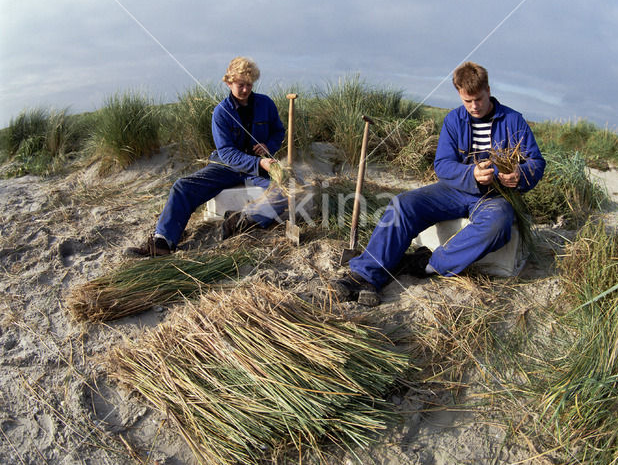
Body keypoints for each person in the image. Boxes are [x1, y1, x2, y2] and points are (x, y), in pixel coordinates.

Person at [333, 61, 546, 305]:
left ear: (488, 89)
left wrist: (521, 174)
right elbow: (443, 165)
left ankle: (428, 264)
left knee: (498, 223)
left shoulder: (513, 120)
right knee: (403, 204)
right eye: (468, 101)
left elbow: (536, 162)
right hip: (455, 189)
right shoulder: (453, 120)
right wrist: (471, 174)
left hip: (495, 198)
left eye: (478, 99)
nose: (474, 106)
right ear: (459, 94)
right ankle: (365, 276)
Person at [127, 57, 286, 257]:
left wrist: (268, 147)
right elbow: (227, 153)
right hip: (227, 167)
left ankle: (242, 221)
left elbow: (278, 132)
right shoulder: (220, 113)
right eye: (240, 85)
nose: (245, 90)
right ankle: (163, 242)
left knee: (285, 189)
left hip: (261, 167)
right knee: (182, 186)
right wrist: (258, 162)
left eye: (249, 85)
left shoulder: (266, 104)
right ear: (229, 82)